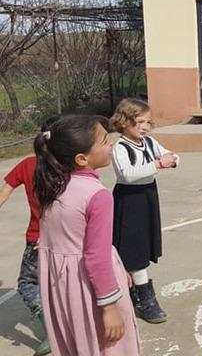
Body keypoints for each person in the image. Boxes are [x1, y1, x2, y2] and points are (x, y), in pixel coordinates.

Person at [35, 114, 141, 355]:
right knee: (110, 348)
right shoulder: (97, 196)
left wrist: (118, 267)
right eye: (104, 141)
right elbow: (96, 256)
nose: (111, 143)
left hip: (62, 287)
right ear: (82, 158)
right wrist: (110, 307)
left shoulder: (51, 186)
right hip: (92, 289)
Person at [110, 98, 177, 324]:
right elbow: (127, 174)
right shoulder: (120, 147)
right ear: (123, 122)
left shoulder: (149, 142)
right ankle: (145, 299)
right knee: (133, 248)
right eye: (139, 122)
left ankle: (132, 293)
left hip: (148, 195)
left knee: (143, 244)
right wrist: (158, 164)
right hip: (129, 199)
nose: (145, 127)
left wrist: (172, 160)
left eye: (148, 122)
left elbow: (172, 155)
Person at [0, 117, 59, 356]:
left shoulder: (28, 164)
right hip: (69, 237)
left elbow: (4, 192)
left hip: (38, 238)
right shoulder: (70, 165)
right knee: (62, 281)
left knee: (28, 284)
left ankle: (51, 329)